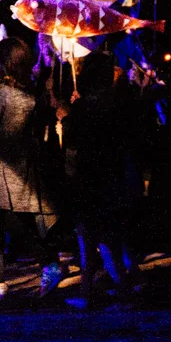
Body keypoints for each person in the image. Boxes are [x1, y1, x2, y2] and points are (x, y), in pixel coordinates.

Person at [0, 37, 63, 301]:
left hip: (1, 162)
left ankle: (2, 280)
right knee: (18, 218)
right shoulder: (33, 90)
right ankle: (44, 264)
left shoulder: (2, 91)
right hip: (24, 160)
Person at [60, 51, 133, 309]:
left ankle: (89, 292)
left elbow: (73, 142)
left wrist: (65, 117)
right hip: (112, 177)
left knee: (88, 240)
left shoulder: (83, 107)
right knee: (108, 238)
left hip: (88, 178)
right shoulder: (117, 103)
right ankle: (119, 289)